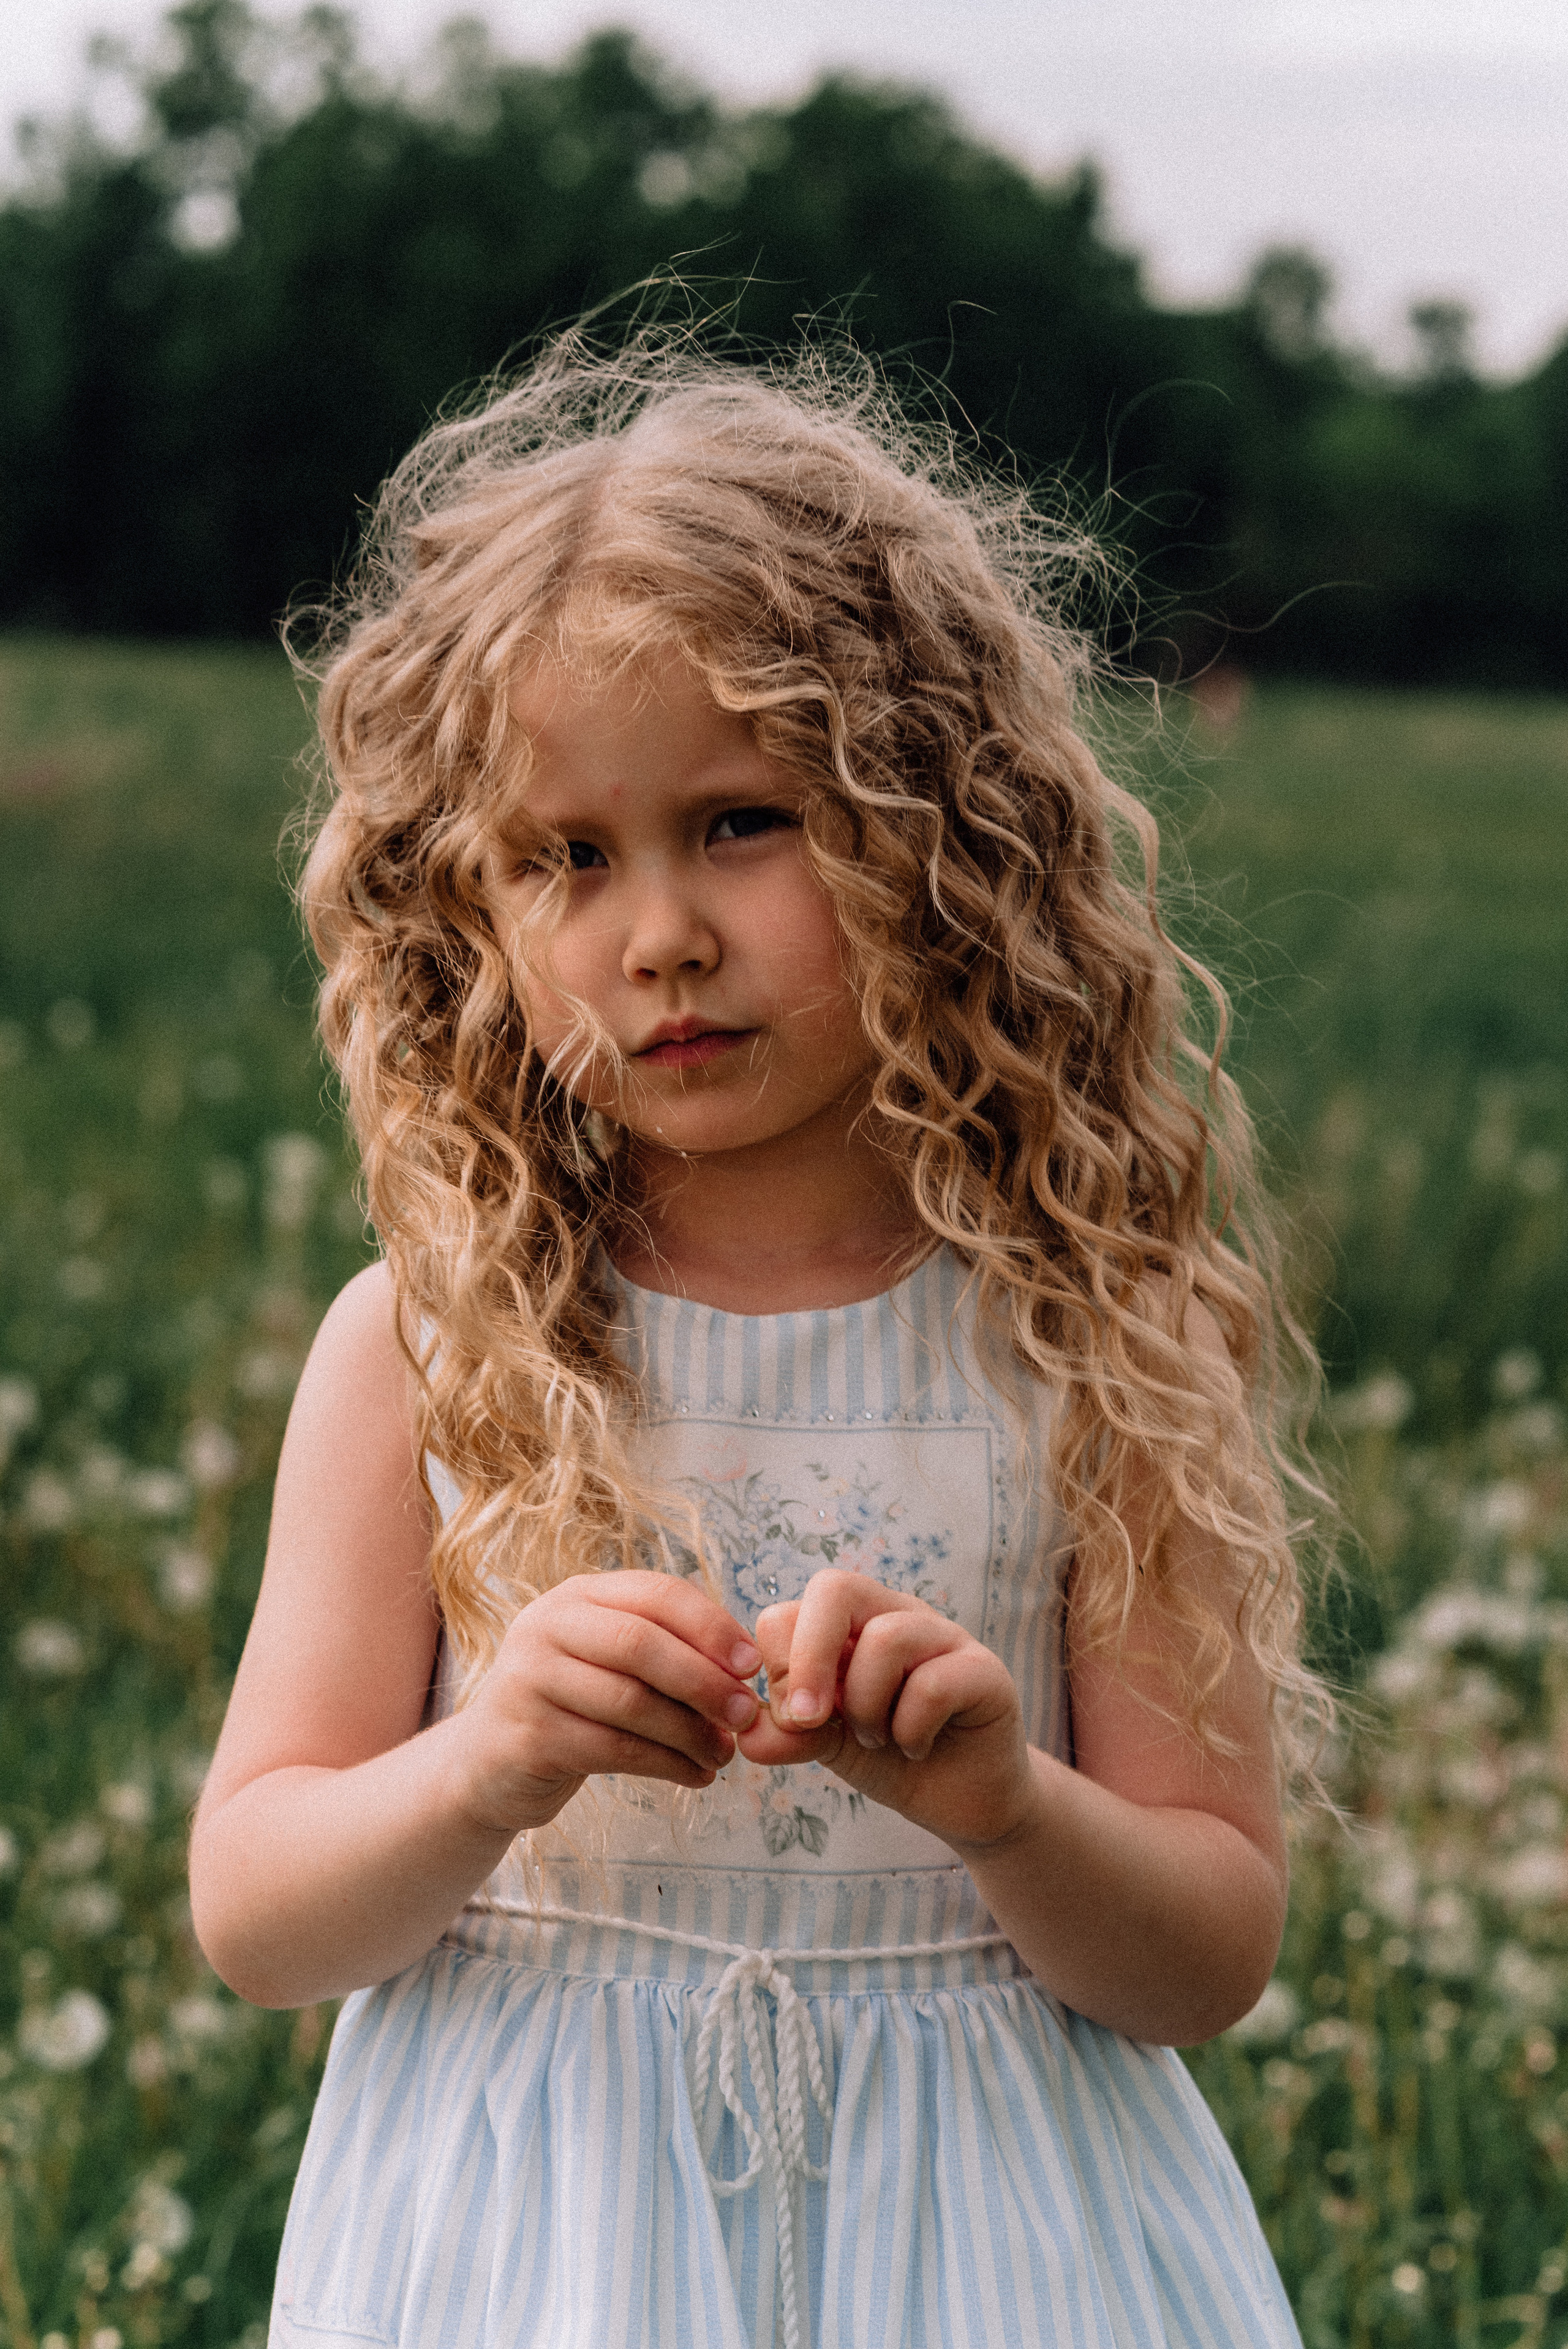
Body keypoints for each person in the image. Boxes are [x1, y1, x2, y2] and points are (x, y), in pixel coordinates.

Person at [189, 334, 1329, 2349]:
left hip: (995, 2249)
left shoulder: (1094, 1344)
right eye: (567, 856)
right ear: (474, 907)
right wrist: (487, 1766)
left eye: (741, 822)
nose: (660, 938)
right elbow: (262, 1907)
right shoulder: (431, 1350)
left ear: (946, 835)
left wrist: (1005, 1803)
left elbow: (1205, 1952)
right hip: (536, 2253)